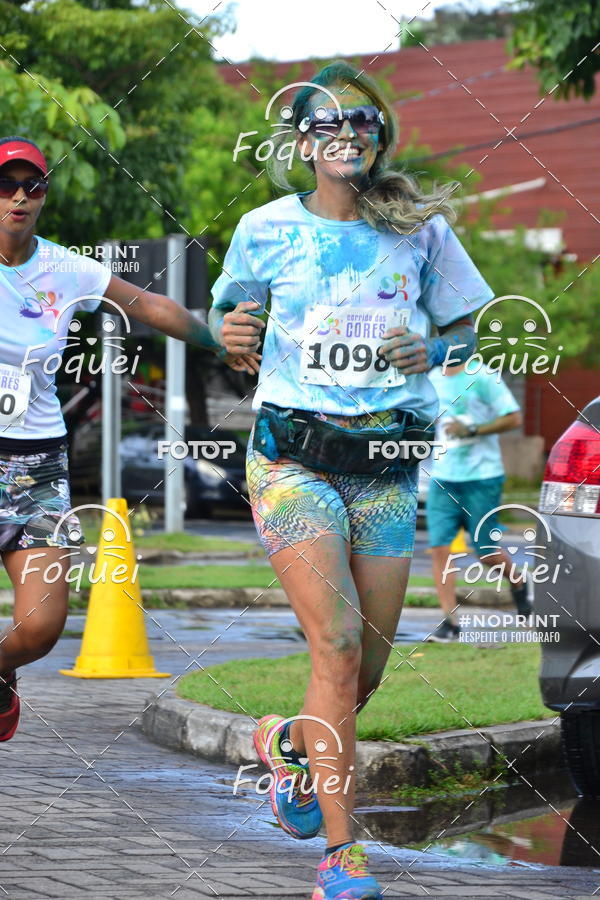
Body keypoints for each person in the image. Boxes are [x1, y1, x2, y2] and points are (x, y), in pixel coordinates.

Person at [209, 61, 494, 900]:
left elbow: (469, 332)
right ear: (302, 143)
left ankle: (288, 747)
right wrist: (232, 331)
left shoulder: (421, 233)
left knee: (364, 669)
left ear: (377, 141)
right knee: (332, 646)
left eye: (363, 123)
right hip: (294, 459)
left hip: (388, 468)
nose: (347, 133)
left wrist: (433, 351)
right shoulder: (264, 228)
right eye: (327, 123)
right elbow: (232, 318)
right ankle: (343, 855)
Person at [0, 135, 259, 743]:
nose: (18, 196)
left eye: (31, 185)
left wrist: (214, 340)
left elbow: (146, 304)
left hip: (34, 466)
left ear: (44, 195)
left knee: (41, 628)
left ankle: (3, 669)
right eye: (5, 185)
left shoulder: (66, 268)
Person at [425, 361, 531, 642]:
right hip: (443, 478)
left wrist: (472, 430)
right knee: (439, 549)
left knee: (484, 551)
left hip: (482, 476)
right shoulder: (432, 378)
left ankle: (518, 581)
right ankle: (450, 623)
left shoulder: (483, 376)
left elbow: (514, 418)